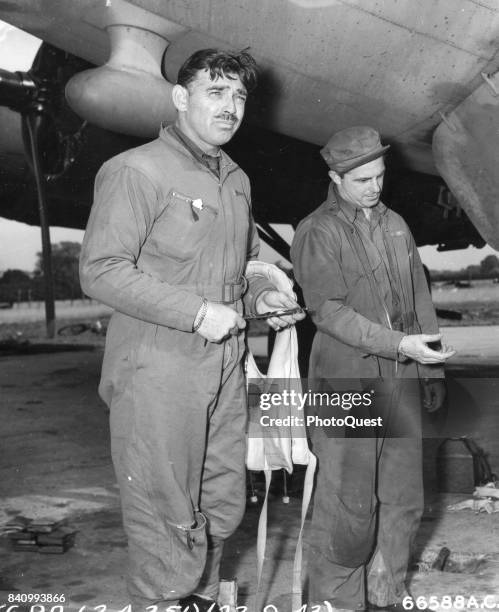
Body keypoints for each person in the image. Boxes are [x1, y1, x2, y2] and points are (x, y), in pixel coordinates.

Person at [79, 48, 304, 612]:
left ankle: (202, 601)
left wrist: (265, 295)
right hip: (159, 366)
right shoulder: (138, 170)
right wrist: (199, 314)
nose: (230, 107)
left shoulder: (236, 179)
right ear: (181, 98)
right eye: (215, 92)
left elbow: (244, 268)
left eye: (239, 96)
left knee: (223, 502)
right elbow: (101, 271)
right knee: (165, 513)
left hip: (224, 365)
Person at [290, 126, 455, 612]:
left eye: (379, 176)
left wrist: (431, 373)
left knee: (403, 497)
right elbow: (330, 313)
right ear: (335, 178)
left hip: (401, 378)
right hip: (347, 378)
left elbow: (420, 299)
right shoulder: (317, 231)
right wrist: (399, 344)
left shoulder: (396, 225)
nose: (374, 187)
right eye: (362, 179)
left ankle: (387, 593)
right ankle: (336, 603)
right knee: (349, 504)